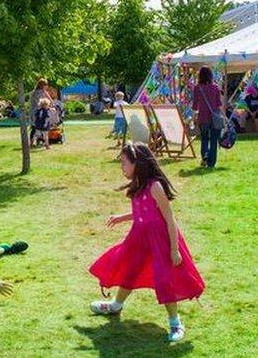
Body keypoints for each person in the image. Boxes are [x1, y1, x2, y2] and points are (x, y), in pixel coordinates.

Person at [88, 143, 205, 343]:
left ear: (137, 163)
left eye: (124, 163)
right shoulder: (137, 184)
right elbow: (143, 212)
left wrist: (175, 250)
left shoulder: (155, 186)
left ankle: (175, 322)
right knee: (129, 270)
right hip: (139, 237)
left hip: (160, 239)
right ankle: (116, 305)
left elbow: (169, 219)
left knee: (164, 278)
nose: (122, 167)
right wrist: (121, 217)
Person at [191, 66, 224, 168]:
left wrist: (193, 117)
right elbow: (219, 103)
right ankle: (211, 162)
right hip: (215, 117)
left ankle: (205, 154)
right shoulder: (215, 87)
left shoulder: (197, 88)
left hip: (203, 117)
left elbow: (195, 105)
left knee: (204, 138)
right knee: (214, 140)